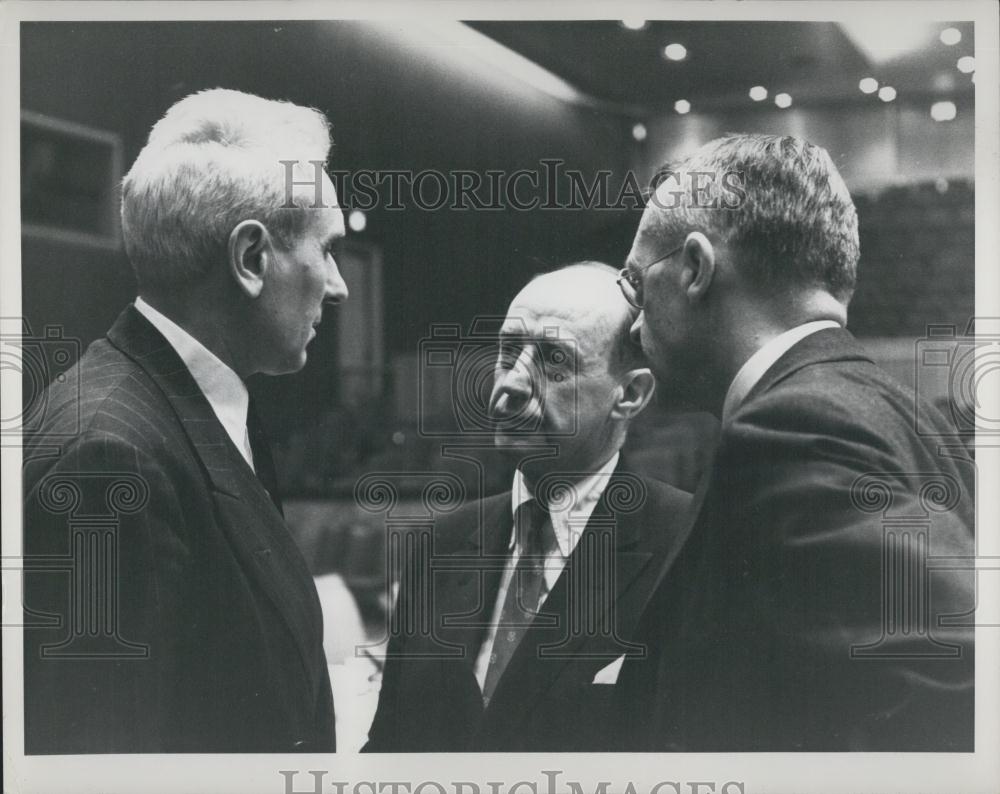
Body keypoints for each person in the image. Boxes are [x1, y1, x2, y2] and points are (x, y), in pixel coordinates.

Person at [616, 133, 975, 751]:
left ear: (696, 269)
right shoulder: (905, 411)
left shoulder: (793, 426)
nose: (632, 320)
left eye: (634, 283)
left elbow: (960, 668)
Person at [22, 88, 347, 753]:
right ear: (252, 259)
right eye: (328, 249)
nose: (338, 284)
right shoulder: (108, 458)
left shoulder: (193, 402)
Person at [364, 263, 691, 751]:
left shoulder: (687, 544)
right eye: (507, 352)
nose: (511, 385)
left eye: (553, 359)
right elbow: (390, 749)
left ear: (631, 394)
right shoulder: (443, 542)